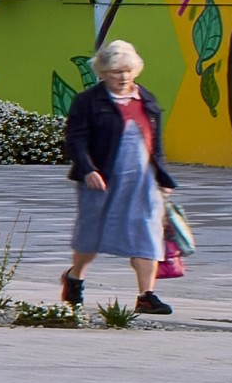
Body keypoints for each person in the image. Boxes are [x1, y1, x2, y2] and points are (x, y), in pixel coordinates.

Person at [63, 37, 175, 315]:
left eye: (127, 70)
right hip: (102, 179)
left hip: (143, 179)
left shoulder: (146, 99)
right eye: (115, 71)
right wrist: (88, 169)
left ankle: (146, 295)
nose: (123, 77)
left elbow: (155, 143)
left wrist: (162, 178)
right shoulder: (88, 101)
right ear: (102, 73)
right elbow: (75, 139)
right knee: (91, 235)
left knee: (148, 231)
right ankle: (75, 277)